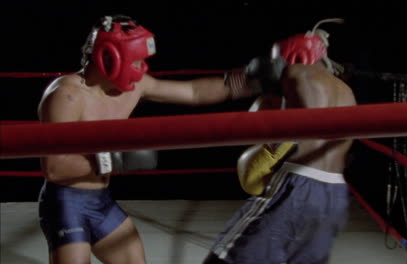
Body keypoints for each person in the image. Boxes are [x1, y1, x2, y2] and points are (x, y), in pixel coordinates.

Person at [37, 15, 270, 264]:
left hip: (100, 200)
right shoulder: (66, 95)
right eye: (136, 61)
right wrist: (111, 161)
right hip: (65, 202)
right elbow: (53, 167)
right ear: (110, 59)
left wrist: (249, 82)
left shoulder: (135, 87)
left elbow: (193, 92)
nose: (142, 69)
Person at [203, 18, 357, 264]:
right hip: (335, 193)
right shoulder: (347, 91)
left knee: (224, 259)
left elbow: (274, 133)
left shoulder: (294, 72)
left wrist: (248, 83)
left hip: (299, 185)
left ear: (292, 56)